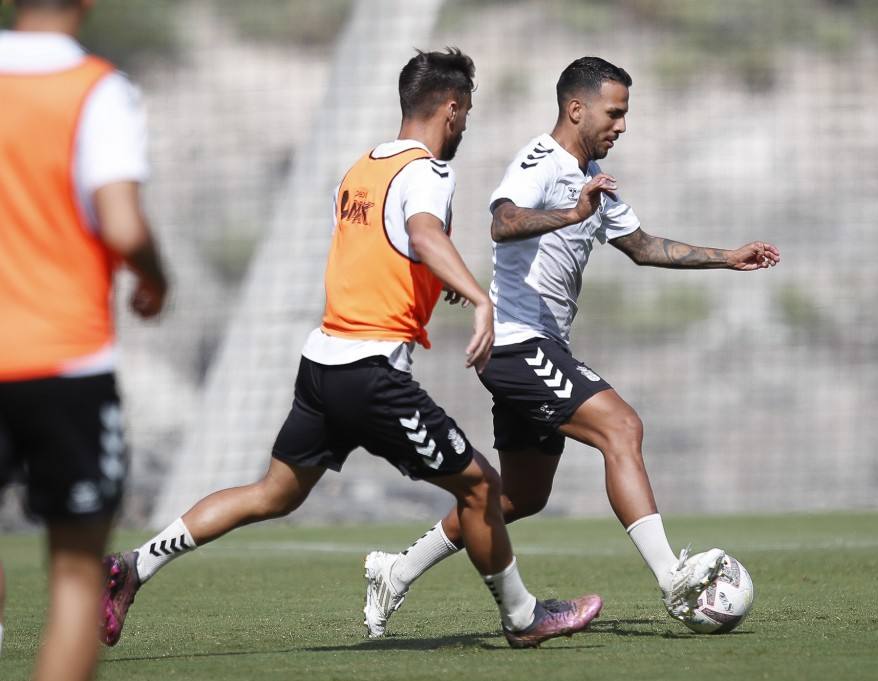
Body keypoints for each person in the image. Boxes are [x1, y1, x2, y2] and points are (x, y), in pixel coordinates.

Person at [99, 47, 601, 651]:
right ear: (451, 107)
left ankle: (136, 563)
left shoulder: (361, 168)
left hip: (322, 365)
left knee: (273, 493)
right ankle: (523, 619)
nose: (464, 125)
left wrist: (433, 282)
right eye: (465, 112)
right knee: (482, 490)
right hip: (371, 372)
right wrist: (477, 295)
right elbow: (422, 233)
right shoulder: (430, 173)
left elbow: (385, 251)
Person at [363, 56, 781, 637]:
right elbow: (502, 222)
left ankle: (395, 571)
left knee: (521, 496)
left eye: (626, 113)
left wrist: (727, 256)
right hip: (516, 344)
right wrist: (571, 211)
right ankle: (673, 580)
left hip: (531, 346)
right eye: (615, 112)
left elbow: (642, 246)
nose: (622, 125)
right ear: (575, 108)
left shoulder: (594, 185)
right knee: (622, 428)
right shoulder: (542, 160)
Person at [0, 0, 169, 679]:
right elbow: (122, 224)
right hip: (64, 360)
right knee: (74, 574)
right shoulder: (99, 88)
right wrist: (156, 278)